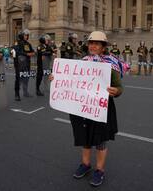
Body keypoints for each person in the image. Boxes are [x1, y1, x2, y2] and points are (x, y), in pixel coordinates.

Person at [49, 31, 123, 187]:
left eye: (97, 43)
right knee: (85, 136)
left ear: (103, 47)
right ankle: (85, 164)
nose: (93, 46)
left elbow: (119, 87)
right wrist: (56, 78)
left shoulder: (111, 64)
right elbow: (69, 80)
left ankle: (100, 170)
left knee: (101, 140)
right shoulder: (81, 62)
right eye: (91, 43)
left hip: (102, 108)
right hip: (83, 107)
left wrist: (116, 91)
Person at [13, 29, 35, 101]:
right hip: (19, 64)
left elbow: (32, 51)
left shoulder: (28, 44)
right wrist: (27, 54)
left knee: (26, 78)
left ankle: (25, 92)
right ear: (22, 35)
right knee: (18, 79)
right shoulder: (17, 43)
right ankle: (17, 94)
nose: (26, 36)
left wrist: (33, 53)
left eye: (27, 35)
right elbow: (17, 51)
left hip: (27, 63)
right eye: (25, 35)